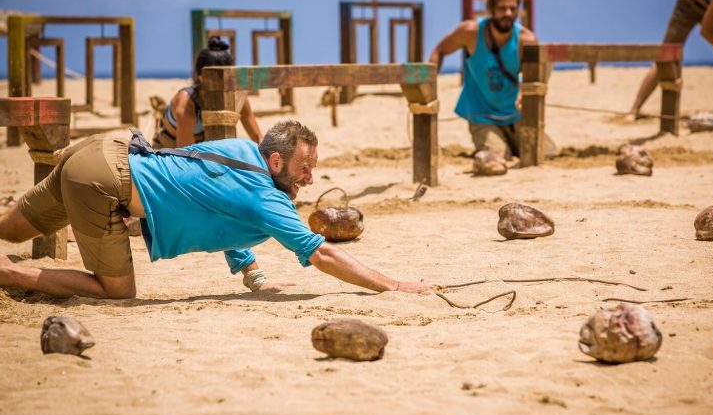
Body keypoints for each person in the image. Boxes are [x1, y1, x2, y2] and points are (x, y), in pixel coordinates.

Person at [0, 120, 435, 299]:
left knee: (13, 228)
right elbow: (319, 252)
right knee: (117, 292)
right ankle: (7, 273)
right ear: (278, 162)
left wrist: (252, 274)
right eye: (305, 169)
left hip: (104, 146)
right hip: (104, 182)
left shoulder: (242, 147)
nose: (310, 180)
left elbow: (220, 211)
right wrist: (394, 285)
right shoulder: (263, 197)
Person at [429, 0, 550, 161]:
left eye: (513, 8)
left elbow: (543, 68)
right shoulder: (470, 32)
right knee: (496, 158)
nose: (508, 13)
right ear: (491, 8)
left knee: (546, 154)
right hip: (482, 115)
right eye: (502, 8)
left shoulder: (526, 40)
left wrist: (526, 93)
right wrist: (429, 89)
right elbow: (439, 51)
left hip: (514, 114)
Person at [152, 36, 264, 148]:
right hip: (170, 150)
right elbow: (186, 157)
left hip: (204, 147)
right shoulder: (187, 104)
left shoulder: (237, 97)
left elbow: (259, 139)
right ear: (200, 76)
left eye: (225, 78)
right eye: (214, 78)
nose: (220, 84)